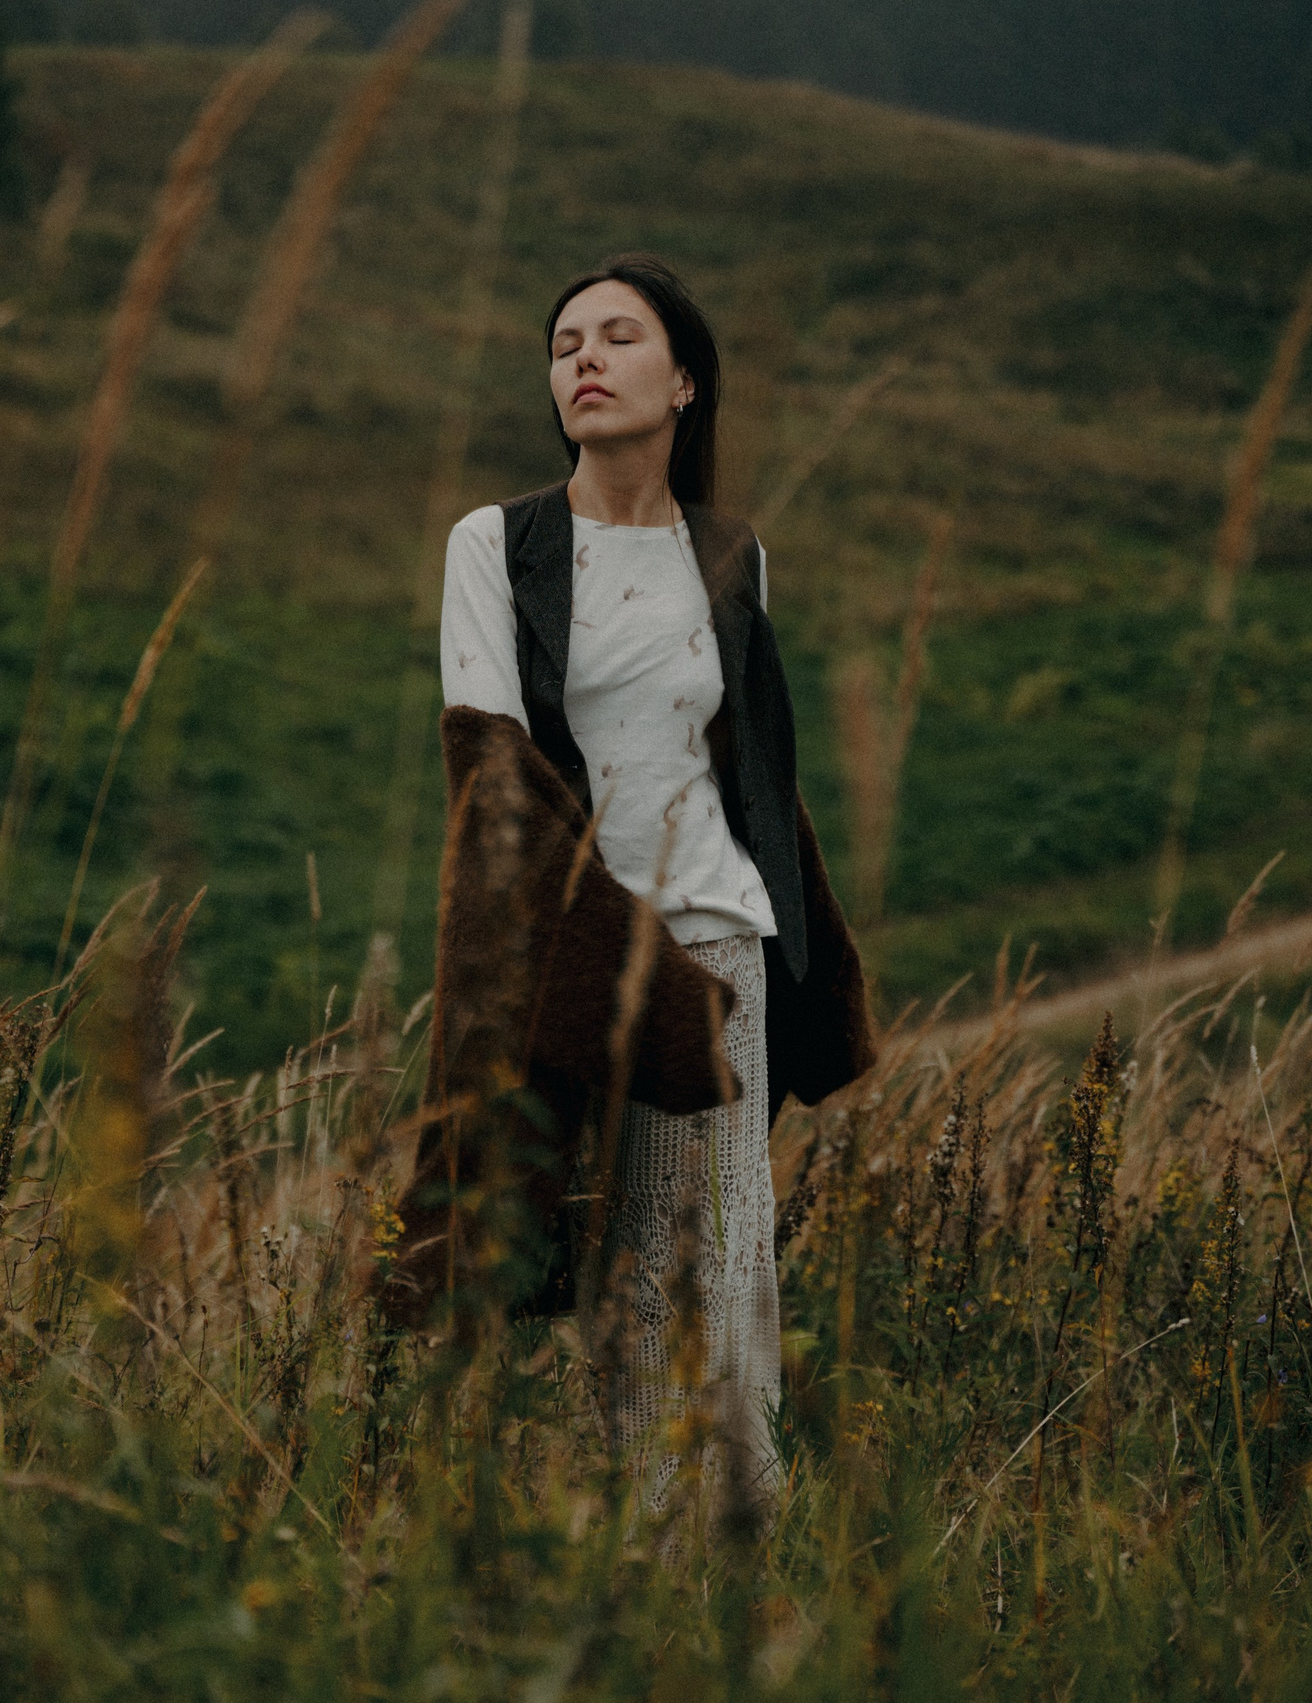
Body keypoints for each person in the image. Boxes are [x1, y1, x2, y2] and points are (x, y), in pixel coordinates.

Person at [428, 253, 875, 1523]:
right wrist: (577, 964)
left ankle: (707, 1546)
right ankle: (679, 1551)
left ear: (683, 380)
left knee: (710, 1264)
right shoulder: (497, 545)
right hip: (578, 959)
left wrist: (804, 967)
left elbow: (759, 779)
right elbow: (490, 772)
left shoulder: (733, 557)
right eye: (564, 340)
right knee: (585, 1260)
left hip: (719, 946)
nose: (581, 357)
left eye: (617, 336)